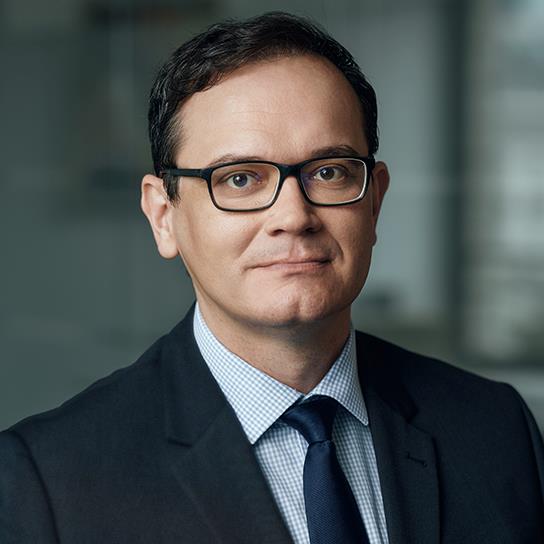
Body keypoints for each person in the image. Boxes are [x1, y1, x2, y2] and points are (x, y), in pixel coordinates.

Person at [1, 11, 543, 544]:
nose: (293, 216)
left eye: (328, 172)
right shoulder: (45, 481)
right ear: (164, 216)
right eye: (240, 179)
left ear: (374, 202)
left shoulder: (495, 427)